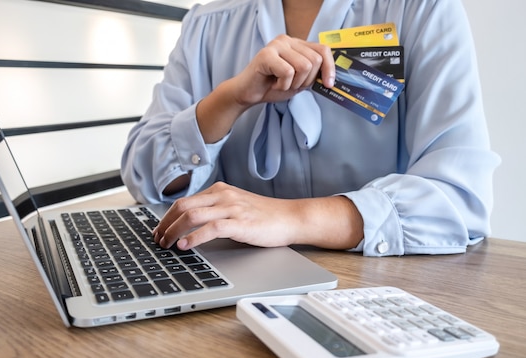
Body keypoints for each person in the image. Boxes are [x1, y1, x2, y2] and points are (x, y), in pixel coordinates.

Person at [120, 0, 500, 257]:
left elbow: (460, 199)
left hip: (383, 288)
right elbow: (147, 181)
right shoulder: (206, 23)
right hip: (228, 282)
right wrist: (230, 98)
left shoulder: (421, 9)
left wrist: (291, 218)